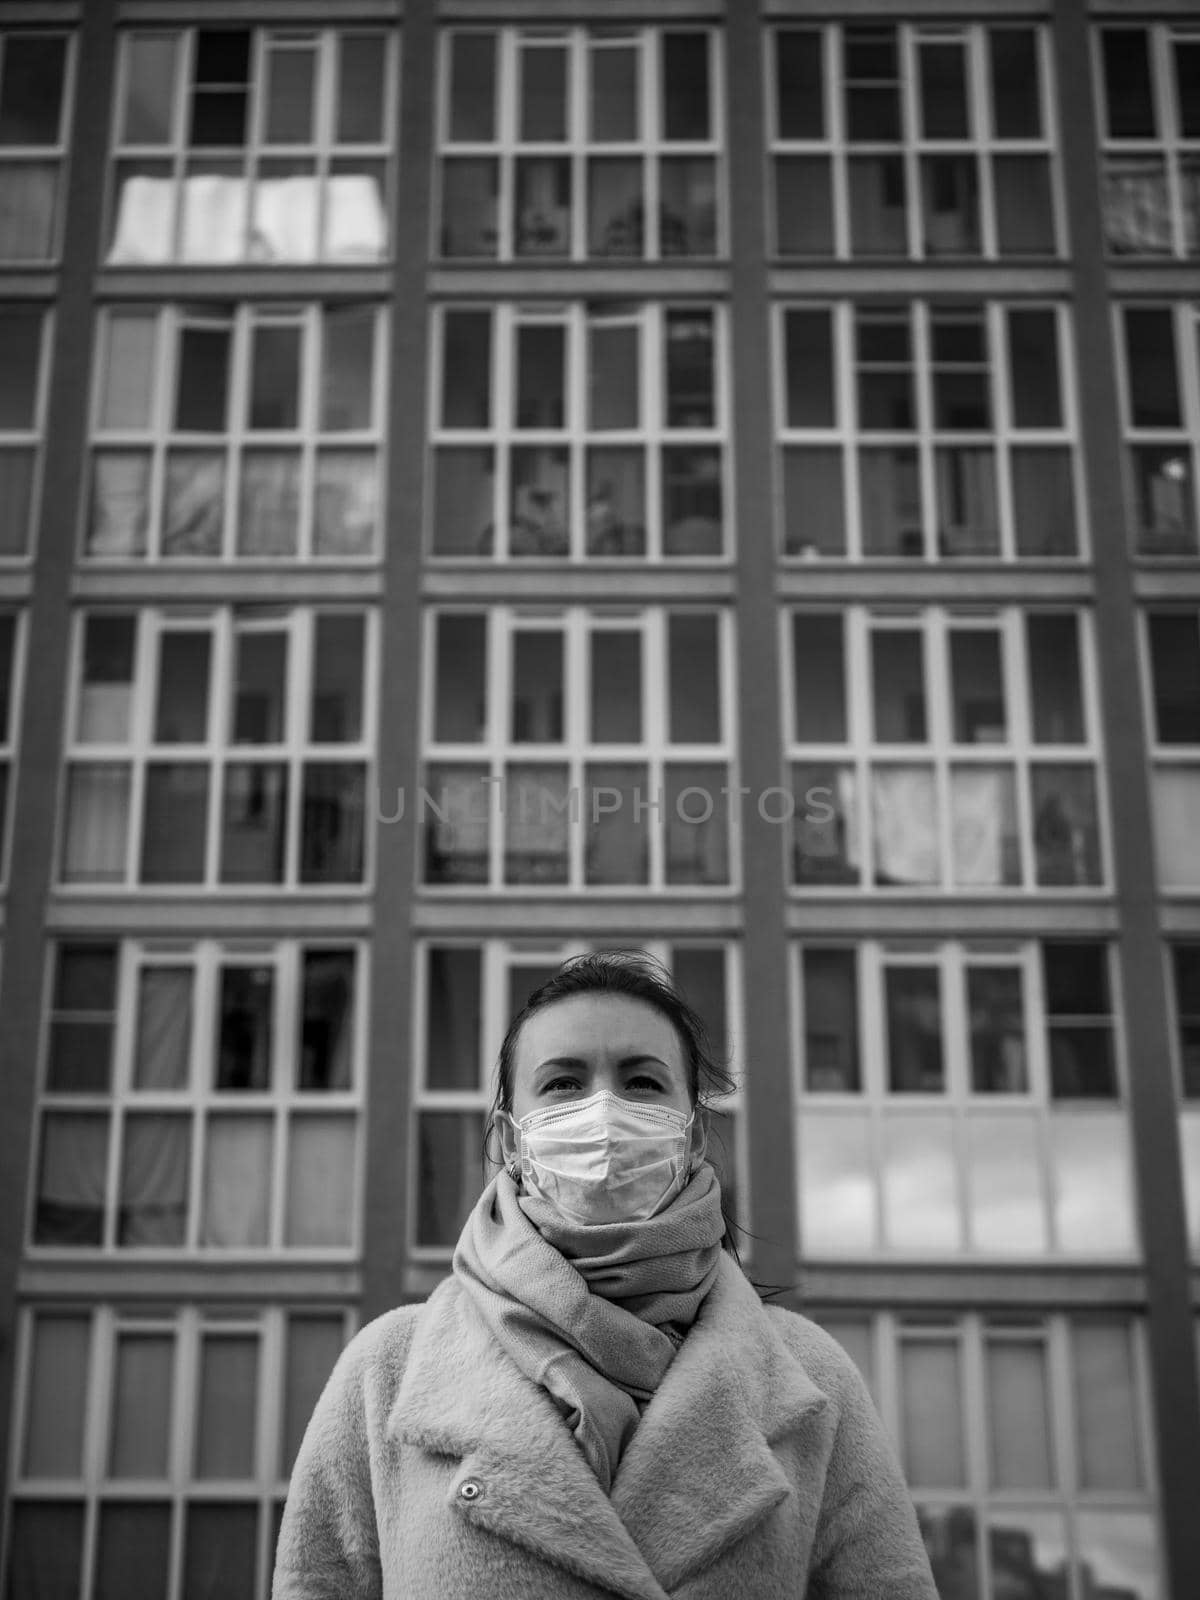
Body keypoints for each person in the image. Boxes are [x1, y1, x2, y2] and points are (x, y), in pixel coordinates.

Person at [272, 952, 938, 1599]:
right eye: (563, 1083)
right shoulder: (385, 1372)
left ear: (693, 1134)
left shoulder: (813, 1380)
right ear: (510, 1140)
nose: (604, 1113)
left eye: (642, 1082)